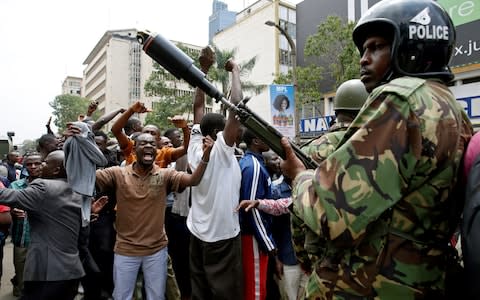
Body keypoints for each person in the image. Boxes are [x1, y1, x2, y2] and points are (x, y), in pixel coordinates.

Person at [271, 0, 473, 298]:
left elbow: (333, 214)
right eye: (363, 50)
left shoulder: (400, 100)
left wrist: (299, 177)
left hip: (368, 285)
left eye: (376, 47)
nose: (363, 59)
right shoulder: (454, 110)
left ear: (412, 48)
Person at [95, 132, 214, 300]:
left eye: (152, 144)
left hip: (156, 251)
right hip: (125, 250)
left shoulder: (165, 175)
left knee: (156, 296)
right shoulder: (118, 173)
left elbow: (193, 180)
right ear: (134, 148)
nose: (149, 146)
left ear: (157, 151)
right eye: (143, 143)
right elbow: (86, 177)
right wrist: (79, 143)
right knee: (122, 296)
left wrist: (206, 156)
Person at [187, 48, 244, 299]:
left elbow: (198, 107)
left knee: (200, 292)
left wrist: (204, 70)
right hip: (221, 238)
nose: (236, 131)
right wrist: (235, 70)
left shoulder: (193, 148)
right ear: (221, 135)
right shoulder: (222, 150)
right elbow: (237, 106)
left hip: (196, 233)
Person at [0, 150, 84, 300]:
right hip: (71, 271)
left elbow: (5, 195)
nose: (40, 166)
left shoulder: (44, 187)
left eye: (45, 162)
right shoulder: (77, 189)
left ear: (56, 169)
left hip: (46, 272)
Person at [238, 128, 275, 300]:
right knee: (256, 290)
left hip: (254, 235)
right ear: (256, 141)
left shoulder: (252, 162)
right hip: (253, 236)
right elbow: (251, 208)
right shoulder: (253, 167)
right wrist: (267, 242)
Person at [9, 152, 42, 297]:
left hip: (46, 242)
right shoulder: (16, 185)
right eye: (29, 164)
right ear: (24, 167)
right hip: (22, 239)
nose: (33, 167)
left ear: (44, 164)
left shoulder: (53, 186)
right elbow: (6, 208)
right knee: (23, 277)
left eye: (37, 163)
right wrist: (12, 211)